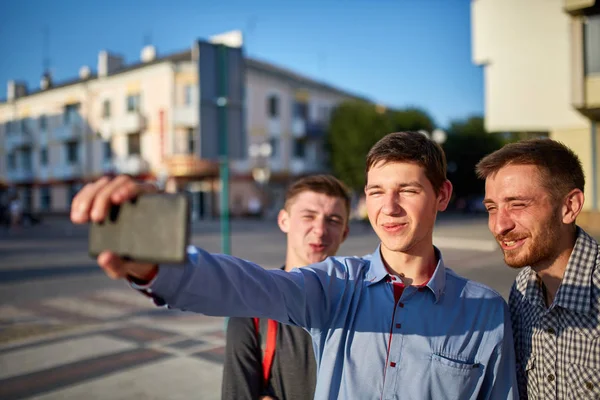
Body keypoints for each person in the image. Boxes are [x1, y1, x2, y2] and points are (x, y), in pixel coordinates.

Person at [71, 132, 518, 399]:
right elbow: (250, 287)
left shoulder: (484, 312)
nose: (390, 207)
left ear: (441, 196)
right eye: (377, 191)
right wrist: (154, 266)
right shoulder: (337, 286)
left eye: (408, 190)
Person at [476, 138, 600, 399]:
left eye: (517, 204)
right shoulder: (521, 292)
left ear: (569, 207)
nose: (499, 226)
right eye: (491, 208)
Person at [222, 175, 350, 400]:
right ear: (284, 221)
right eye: (308, 216)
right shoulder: (252, 311)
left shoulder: (360, 306)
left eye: (333, 220)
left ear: (345, 232)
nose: (320, 230)